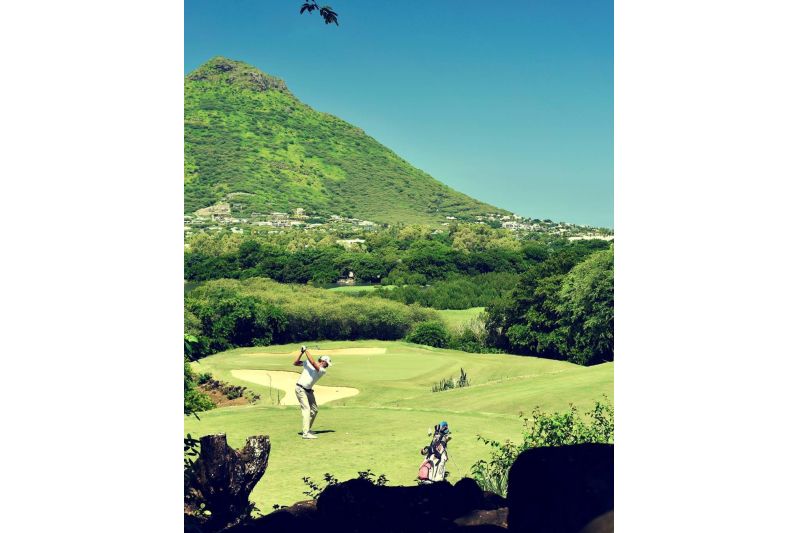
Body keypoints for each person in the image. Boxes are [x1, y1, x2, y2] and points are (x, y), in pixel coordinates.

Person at [292, 345, 332, 439]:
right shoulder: (308, 363)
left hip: (308, 391)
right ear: (323, 361)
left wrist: (306, 350)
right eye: (326, 364)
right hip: (300, 389)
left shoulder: (322, 370)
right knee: (307, 409)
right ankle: (305, 434)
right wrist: (301, 352)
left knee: (314, 410)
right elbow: (295, 363)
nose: (327, 366)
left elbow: (313, 363)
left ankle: (307, 429)